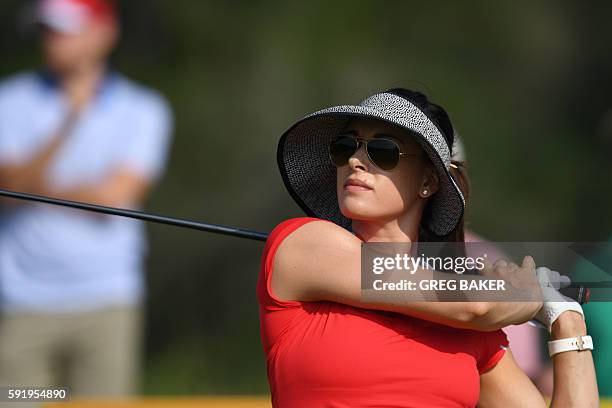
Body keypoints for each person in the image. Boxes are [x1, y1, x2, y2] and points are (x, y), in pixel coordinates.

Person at [258, 89, 598, 406]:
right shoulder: (302, 244)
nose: (356, 161)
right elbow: (476, 305)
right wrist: (523, 290)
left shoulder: (470, 332)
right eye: (346, 146)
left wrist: (566, 319)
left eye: (383, 151)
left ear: (427, 181)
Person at [0, 0, 172, 397]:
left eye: (63, 29)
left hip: (108, 299)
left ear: (104, 32)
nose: (51, 40)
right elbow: (9, 190)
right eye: (46, 29)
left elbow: (116, 196)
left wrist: (36, 188)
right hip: (20, 299)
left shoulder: (143, 109)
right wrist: (70, 120)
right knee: (18, 405)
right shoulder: (8, 101)